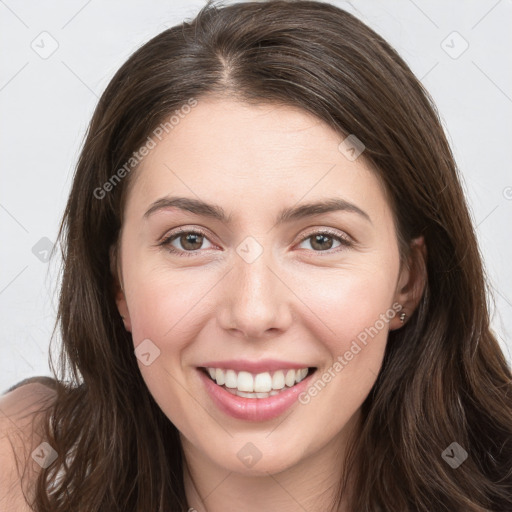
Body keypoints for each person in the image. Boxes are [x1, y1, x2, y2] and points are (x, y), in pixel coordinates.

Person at [1, 1, 511, 510]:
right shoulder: (23, 466)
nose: (253, 312)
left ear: (407, 280)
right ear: (117, 281)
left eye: (321, 240)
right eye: (190, 240)